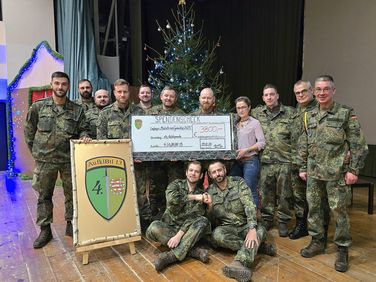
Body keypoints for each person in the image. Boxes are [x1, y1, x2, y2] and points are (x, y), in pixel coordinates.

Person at [298, 75, 368, 272]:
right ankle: (317, 240)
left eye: (325, 89)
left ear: (333, 90)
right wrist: (302, 167)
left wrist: (354, 170)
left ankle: (342, 247)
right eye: (318, 89)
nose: (321, 93)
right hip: (314, 173)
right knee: (314, 209)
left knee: (339, 211)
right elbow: (304, 143)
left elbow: (358, 145)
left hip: (337, 174)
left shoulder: (345, 113)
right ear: (314, 92)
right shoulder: (308, 115)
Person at [24, 71, 90, 248]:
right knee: (44, 195)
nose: (60, 87)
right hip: (45, 160)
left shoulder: (77, 110)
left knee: (72, 194)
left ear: (68, 86)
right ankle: (45, 230)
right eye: (57, 83)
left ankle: (71, 225)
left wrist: (84, 136)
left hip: (69, 159)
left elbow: (83, 129)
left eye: (64, 84)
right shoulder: (39, 107)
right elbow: (29, 131)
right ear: (51, 84)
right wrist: (37, 152)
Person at [204, 161, 276, 282]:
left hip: (245, 225)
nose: (218, 174)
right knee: (217, 235)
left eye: (219, 170)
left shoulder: (238, 183)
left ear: (225, 170)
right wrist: (210, 206)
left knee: (260, 230)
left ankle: (238, 263)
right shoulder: (209, 191)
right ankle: (257, 247)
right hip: (228, 228)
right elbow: (210, 220)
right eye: (214, 172)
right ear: (210, 175)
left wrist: (252, 228)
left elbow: (249, 205)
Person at [96, 79, 151, 230]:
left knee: (140, 193)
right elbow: (101, 141)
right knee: (117, 193)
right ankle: (121, 223)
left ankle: (144, 223)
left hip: (137, 162)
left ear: (129, 92)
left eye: (125, 92)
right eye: (119, 92)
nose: (122, 94)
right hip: (116, 164)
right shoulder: (105, 114)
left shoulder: (139, 113)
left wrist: (143, 156)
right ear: (114, 93)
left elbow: (146, 138)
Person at [146, 161, 211, 272]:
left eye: (196, 171)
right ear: (186, 173)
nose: (193, 173)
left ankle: (171, 257)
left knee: (203, 221)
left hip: (187, 232)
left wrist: (179, 235)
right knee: (153, 228)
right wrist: (195, 197)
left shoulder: (202, 194)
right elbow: (173, 200)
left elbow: (195, 216)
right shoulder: (175, 184)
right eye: (191, 170)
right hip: (170, 228)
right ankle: (192, 251)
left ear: (200, 176)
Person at [251, 84, 295, 237]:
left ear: (277, 95)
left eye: (272, 94)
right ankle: (268, 219)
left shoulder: (290, 112)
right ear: (263, 98)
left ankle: (283, 221)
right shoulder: (256, 113)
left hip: (285, 160)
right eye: (266, 95)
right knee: (266, 192)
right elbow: (241, 115)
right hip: (265, 161)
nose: (269, 97)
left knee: (284, 193)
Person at [148, 86, 185, 217]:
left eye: (171, 96)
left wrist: (178, 154)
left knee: (174, 188)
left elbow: (185, 137)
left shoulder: (181, 114)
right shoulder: (151, 112)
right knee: (157, 189)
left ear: (175, 99)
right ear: (161, 97)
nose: (168, 98)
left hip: (175, 162)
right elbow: (145, 134)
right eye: (166, 95)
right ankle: (158, 214)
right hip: (156, 161)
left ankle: (173, 214)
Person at [229, 96, 265, 208]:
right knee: (231, 186)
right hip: (236, 162)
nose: (241, 110)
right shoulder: (233, 124)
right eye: (238, 107)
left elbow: (261, 143)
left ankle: (254, 218)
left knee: (250, 188)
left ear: (249, 108)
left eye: (243, 107)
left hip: (250, 161)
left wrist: (247, 150)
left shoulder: (255, 123)